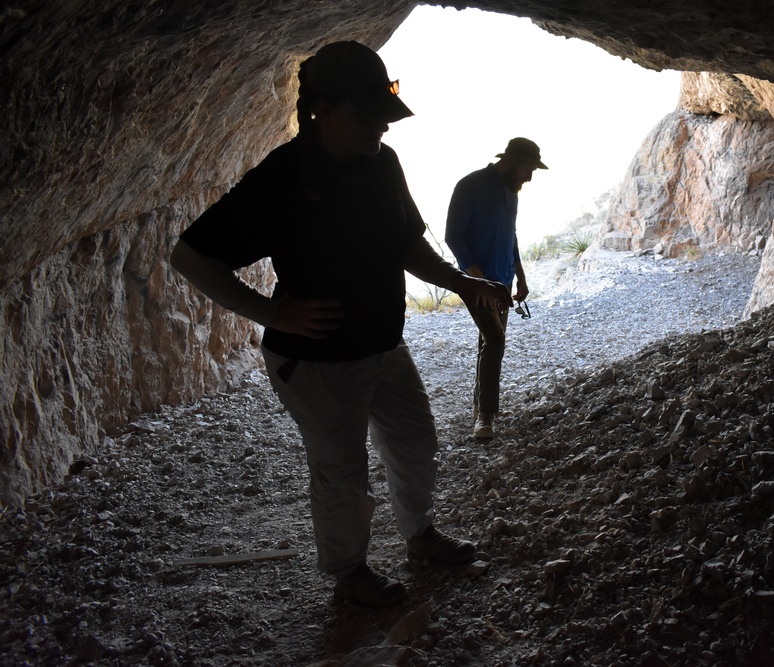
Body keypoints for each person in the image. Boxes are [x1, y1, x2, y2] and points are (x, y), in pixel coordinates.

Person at [169, 41, 512, 608]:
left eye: (385, 113)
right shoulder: (282, 178)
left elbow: (406, 242)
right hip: (317, 358)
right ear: (322, 110)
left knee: (414, 442)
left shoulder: (382, 165)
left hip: (381, 341)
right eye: (368, 114)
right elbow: (191, 256)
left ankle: (419, 536)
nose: (382, 125)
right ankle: (349, 574)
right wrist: (271, 312)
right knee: (341, 470)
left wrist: (461, 283)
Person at [445, 137, 547, 439]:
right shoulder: (470, 186)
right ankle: (486, 417)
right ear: (511, 162)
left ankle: (480, 407)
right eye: (527, 169)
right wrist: (477, 281)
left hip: (503, 283)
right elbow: (453, 236)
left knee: (488, 343)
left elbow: (509, 236)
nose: (529, 177)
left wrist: (521, 277)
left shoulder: (511, 192)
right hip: (478, 284)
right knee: (495, 342)